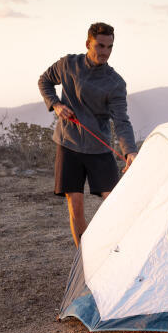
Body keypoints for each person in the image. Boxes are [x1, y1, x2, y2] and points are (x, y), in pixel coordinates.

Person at [38, 22, 138, 247]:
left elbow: (121, 120)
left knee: (114, 202)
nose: (105, 52)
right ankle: (83, 260)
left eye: (109, 47)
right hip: (68, 145)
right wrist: (55, 104)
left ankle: (120, 253)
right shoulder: (68, 64)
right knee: (75, 205)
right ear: (88, 43)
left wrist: (130, 151)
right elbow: (44, 81)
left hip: (99, 148)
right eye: (100, 46)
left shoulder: (115, 83)